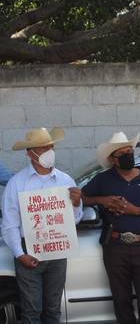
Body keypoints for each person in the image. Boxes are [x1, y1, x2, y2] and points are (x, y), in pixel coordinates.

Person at [81, 132, 140, 324]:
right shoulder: (103, 179)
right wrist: (102, 200)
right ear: (113, 159)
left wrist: (135, 210)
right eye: (122, 153)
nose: (128, 155)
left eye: (130, 151)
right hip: (116, 246)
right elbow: (83, 197)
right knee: (121, 301)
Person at [1, 127, 83, 324]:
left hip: (57, 251)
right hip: (29, 251)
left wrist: (77, 203)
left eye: (51, 147)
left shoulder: (66, 180)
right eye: (43, 148)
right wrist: (20, 254)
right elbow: (9, 223)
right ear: (30, 153)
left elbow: (74, 219)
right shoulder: (16, 183)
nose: (49, 152)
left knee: (53, 310)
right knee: (31, 312)